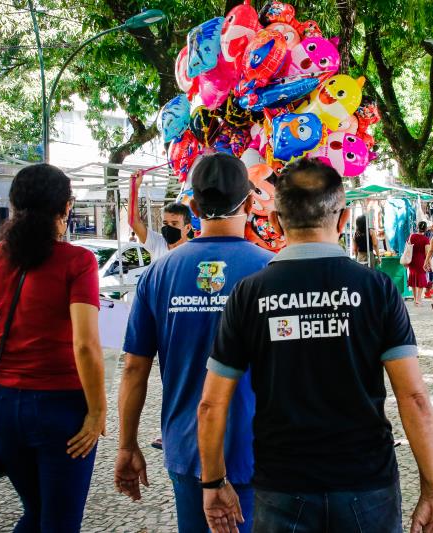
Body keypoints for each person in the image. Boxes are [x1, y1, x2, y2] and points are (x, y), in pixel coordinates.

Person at [197, 158, 433, 533]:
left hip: (282, 485)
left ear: (275, 222)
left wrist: (213, 482)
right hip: (366, 482)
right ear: (344, 218)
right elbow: (413, 398)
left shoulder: (248, 294)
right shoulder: (377, 289)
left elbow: (210, 405)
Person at [115, 154, 272, 533]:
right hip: (259, 449)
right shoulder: (273, 269)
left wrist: (127, 445)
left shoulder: (158, 273)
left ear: (195, 209)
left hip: (188, 447)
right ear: (249, 203)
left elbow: (134, 368)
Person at [0, 164, 106, 532]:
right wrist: (97, 412)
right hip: (60, 408)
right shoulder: (78, 261)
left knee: (37, 512)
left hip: (0, 405)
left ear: (14, 205)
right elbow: (86, 344)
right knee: (59, 522)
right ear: (64, 207)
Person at [130, 170, 192, 260]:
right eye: (165, 223)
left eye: (174, 223)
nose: (169, 227)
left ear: (188, 227)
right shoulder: (158, 243)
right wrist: (134, 187)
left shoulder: (194, 253)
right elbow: (134, 222)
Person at [407, 221, 431, 306]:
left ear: (417, 227)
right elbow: (427, 252)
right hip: (421, 260)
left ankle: (415, 299)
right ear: (425, 229)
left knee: (413, 278)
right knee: (421, 279)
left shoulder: (411, 236)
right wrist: (429, 262)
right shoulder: (426, 239)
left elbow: (407, 247)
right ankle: (418, 299)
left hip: (412, 260)